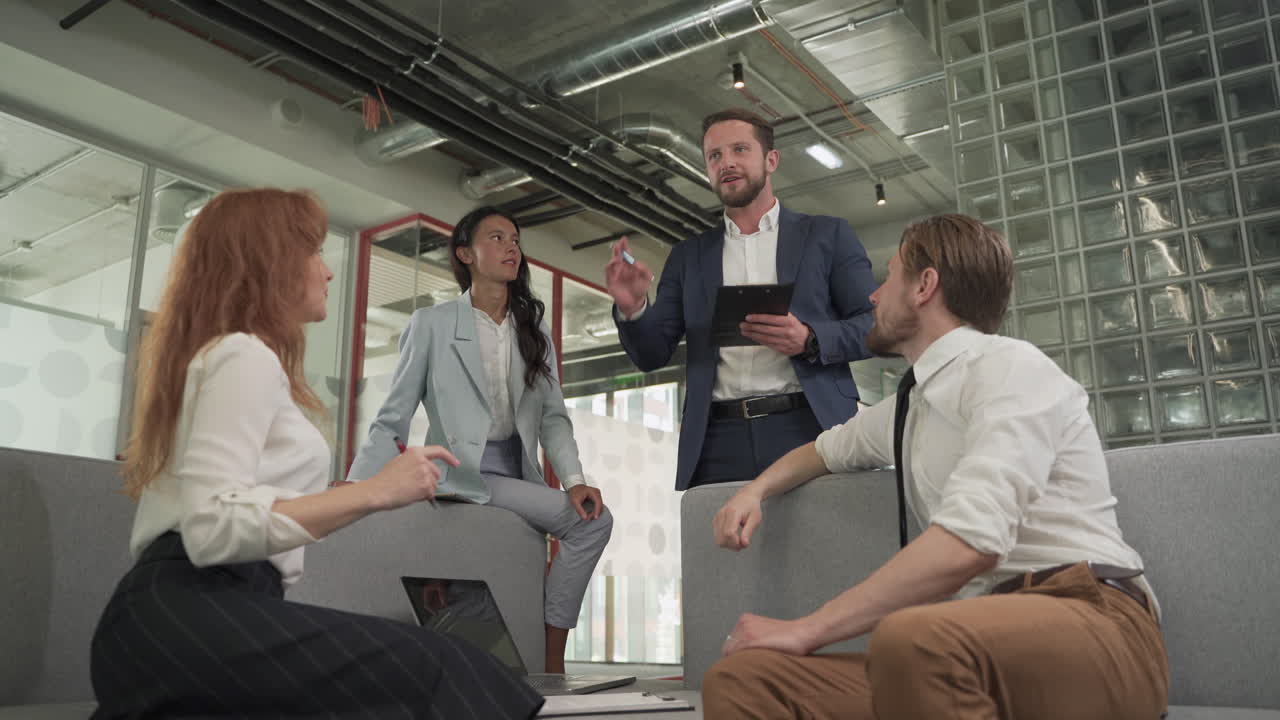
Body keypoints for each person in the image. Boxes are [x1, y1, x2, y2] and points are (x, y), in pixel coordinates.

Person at [89, 189, 542, 719]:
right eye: (314, 253)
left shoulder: (235, 357)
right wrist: (375, 491)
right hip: (190, 608)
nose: (327, 272)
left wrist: (373, 493)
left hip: (190, 614)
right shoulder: (242, 354)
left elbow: (253, 519)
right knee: (451, 668)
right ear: (270, 262)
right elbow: (212, 528)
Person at [702, 214, 1169, 719]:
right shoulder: (910, 406)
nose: (874, 297)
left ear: (924, 286)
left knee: (912, 637)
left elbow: (972, 543)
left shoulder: (1011, 368)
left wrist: (805, 629)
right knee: (745, 680)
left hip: (1093, 620)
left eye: (889, 277)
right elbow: (822, 451)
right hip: (967, 642)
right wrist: (753, 492)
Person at [347, 206, 611, 674]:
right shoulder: (431, 323)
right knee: (592, 526)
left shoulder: (533, 330)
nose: (512, 247)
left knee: (589, 519)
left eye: (515, 239)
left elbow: (553, 418)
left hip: (515, 471)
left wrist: (574, 480)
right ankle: (551, 660)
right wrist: (356, 488)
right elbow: (394, 417)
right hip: (462, 472)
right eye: (497, 238)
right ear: (465, 254)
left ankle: (547, 653)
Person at [604, 108, 878, 491]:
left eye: (739, 149)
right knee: (716, 532)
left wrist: (810, 339)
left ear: (771, 160)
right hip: (717, 439)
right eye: (714, 156)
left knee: (822, 532)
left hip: (810, 425)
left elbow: (874, 326)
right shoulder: (688, 257)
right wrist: (633, 308)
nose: (726, 163)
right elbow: (651, 355)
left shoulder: (827, 236)